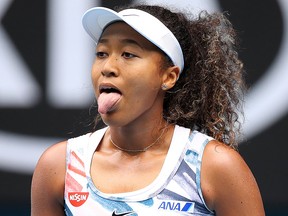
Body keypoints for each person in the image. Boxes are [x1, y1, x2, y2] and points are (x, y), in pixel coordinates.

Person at [31, 3, 265, 216]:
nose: (108, 67)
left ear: (168, 76)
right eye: (101, 53)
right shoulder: (59, 165)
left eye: (128, 54)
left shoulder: (215, 167)